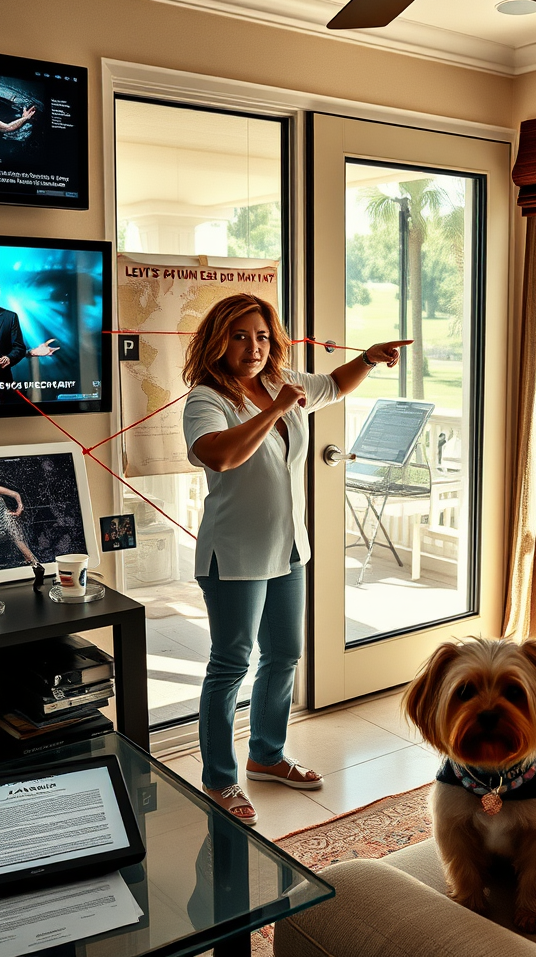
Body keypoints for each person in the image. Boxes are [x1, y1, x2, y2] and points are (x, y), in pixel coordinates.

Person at [182, 292, 409, 824]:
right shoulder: (207, 398)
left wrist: (370, 359)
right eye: (240, 336)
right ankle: (219, 779)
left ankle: (266, 754)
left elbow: (333, 385)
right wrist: (279, 408)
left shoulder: (283, 384)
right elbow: (221, 454)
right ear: (219, 340)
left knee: (284, 653)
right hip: (233, 554)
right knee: (230, 664)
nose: (253, 346)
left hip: (288, 547)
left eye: (262, 336)